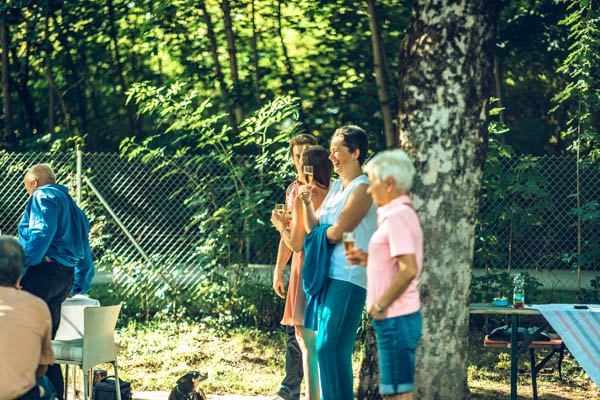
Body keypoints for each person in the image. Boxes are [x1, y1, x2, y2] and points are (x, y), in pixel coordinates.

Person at [300, 126, 377, 400]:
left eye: (336, 151)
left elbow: (338, 232)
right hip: (329, 277)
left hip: (350, 277)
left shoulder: (363, 189)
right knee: (329, 349)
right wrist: (307, 203)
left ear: (355, 153)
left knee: (329, 347)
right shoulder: (334, 188)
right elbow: (314, 228)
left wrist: (325, 231)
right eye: (331, 151)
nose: (331, 157)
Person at [346, 149, 423, 400]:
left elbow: (409, 269)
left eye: (373, 183)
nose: (369, 190)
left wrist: (380, 305)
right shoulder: (396, 215)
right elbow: (395, 262)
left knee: (397, 393)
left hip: (395, 317)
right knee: (393, 391)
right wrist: (368, 259)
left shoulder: (399, 216)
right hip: (394, 318)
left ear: (389, 183)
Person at [18, 164, 95, 400]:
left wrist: (19, 271)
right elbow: (86, 254)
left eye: (28, 190)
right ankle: (55, 396)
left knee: (23, 339)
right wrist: (78, 285)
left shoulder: (42, 195)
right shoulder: (76, 210)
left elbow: (40, 236)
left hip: (42, 273)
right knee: (44, 345)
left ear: (33, 183)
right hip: (63, 279)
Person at [271, 146, 332, 400]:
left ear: (307, 168)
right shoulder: (334, 190)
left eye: (302, 163)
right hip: (329, 264)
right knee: (323, 338)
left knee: (305, 339)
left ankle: (311, 397)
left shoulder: (302, 194)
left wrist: (279, 226)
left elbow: (296, 243)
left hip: (305, 265)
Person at [0, 236, 55, 400]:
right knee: (47, 385)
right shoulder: (37, 307)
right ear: (20, 272)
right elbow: (41, 369)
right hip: (20, 396)